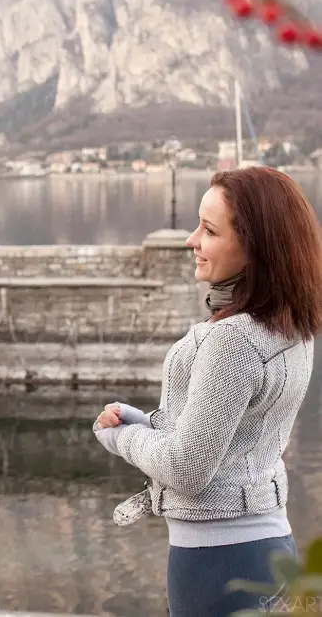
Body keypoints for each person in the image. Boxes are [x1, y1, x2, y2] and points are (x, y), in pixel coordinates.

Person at [92, 165, 322, 616]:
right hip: (270, 548)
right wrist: (145, 422)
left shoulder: (233, 339)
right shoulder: (293, 326)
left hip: (217, 562)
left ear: (254, 245)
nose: (191, 240)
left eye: (209, 230)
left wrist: (119, 437)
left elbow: (187, 467)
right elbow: (239, 435)